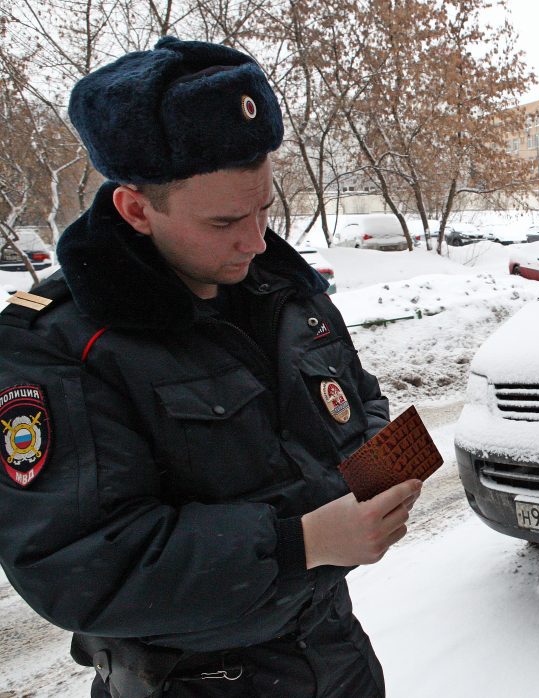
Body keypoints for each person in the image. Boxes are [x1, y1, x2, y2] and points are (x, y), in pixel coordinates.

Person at [0, 37, 421, 698]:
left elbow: (357, 403)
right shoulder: (57, 342)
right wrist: (300, 542)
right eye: (226, 219)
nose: (256, 241)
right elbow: (75, 565)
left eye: (265, 208)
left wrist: (376, 479)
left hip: (337, 660)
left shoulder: (284, 292)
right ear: (137, 209)